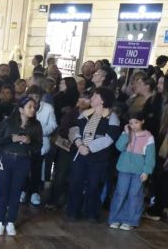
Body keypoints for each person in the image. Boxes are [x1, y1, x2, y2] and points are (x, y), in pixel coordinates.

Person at [0, 94, 43, 238]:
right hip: (5, 159)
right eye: (29, 107)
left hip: (23, 160)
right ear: (21, 109)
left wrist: (29, 141)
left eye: (34, 107)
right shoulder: (8, 122)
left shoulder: (36, 125)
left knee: (16, 192)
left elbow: (39, 146)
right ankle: (0, 221)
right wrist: (10, 138)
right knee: (3, 191)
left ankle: (11, 221)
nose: (32, 109)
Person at [64, 89, 119, 222]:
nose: (92, 98)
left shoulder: (112, 117)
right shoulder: (85, 114)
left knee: (93, 186)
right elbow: (75, 130)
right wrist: (79, 144)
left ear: (102, 100)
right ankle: (73, 211)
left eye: (95, 96)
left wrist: (89, 147)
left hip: (98, 158)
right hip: (81, 154)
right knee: (76, 182)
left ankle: (91, 213)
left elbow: (110, 138)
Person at [108, 113, 155, 231]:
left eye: (136, 122)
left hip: (138, 171)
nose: (133, 125)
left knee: (135, 195)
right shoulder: (126, 134)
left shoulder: (148, 136)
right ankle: (115, 218)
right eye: (131, 123)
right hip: (124, 169)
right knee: (120, 193)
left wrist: (146, 171)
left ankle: (130, 220)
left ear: (142, 121)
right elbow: (119, 147)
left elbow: (150, 157)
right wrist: (125, 134)